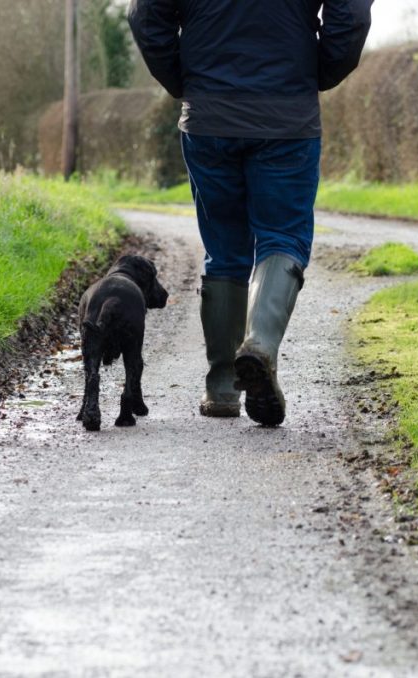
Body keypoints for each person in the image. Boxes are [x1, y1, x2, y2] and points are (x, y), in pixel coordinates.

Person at [129, 0, 372, 427]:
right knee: (283, 236)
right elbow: (349, 13)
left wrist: (186, 79)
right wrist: (318, 71)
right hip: (287, 114)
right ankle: (259, 343)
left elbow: (146, 15)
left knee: (224, 250)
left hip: (209, 114)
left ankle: (221, 385)